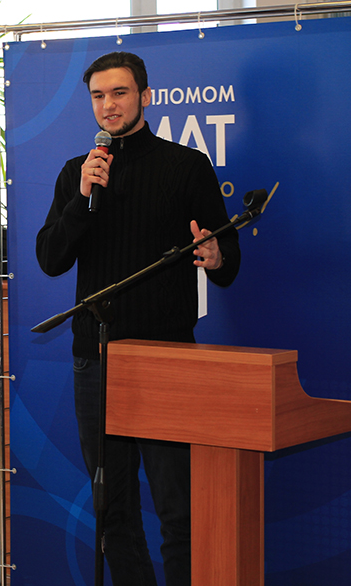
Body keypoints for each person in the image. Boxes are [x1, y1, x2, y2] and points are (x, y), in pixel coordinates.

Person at [36, 51, 241, 586]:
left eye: (120, 93)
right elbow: (50, 259)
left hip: (165, 358)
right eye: (98, 96)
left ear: (145, 97)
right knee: (113, 510)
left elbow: (228, 261)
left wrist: (216, 256)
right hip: (95, 360)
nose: (108, 105)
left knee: (178, 509)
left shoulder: (186, 166)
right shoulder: (76, 174)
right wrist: (82, 197)